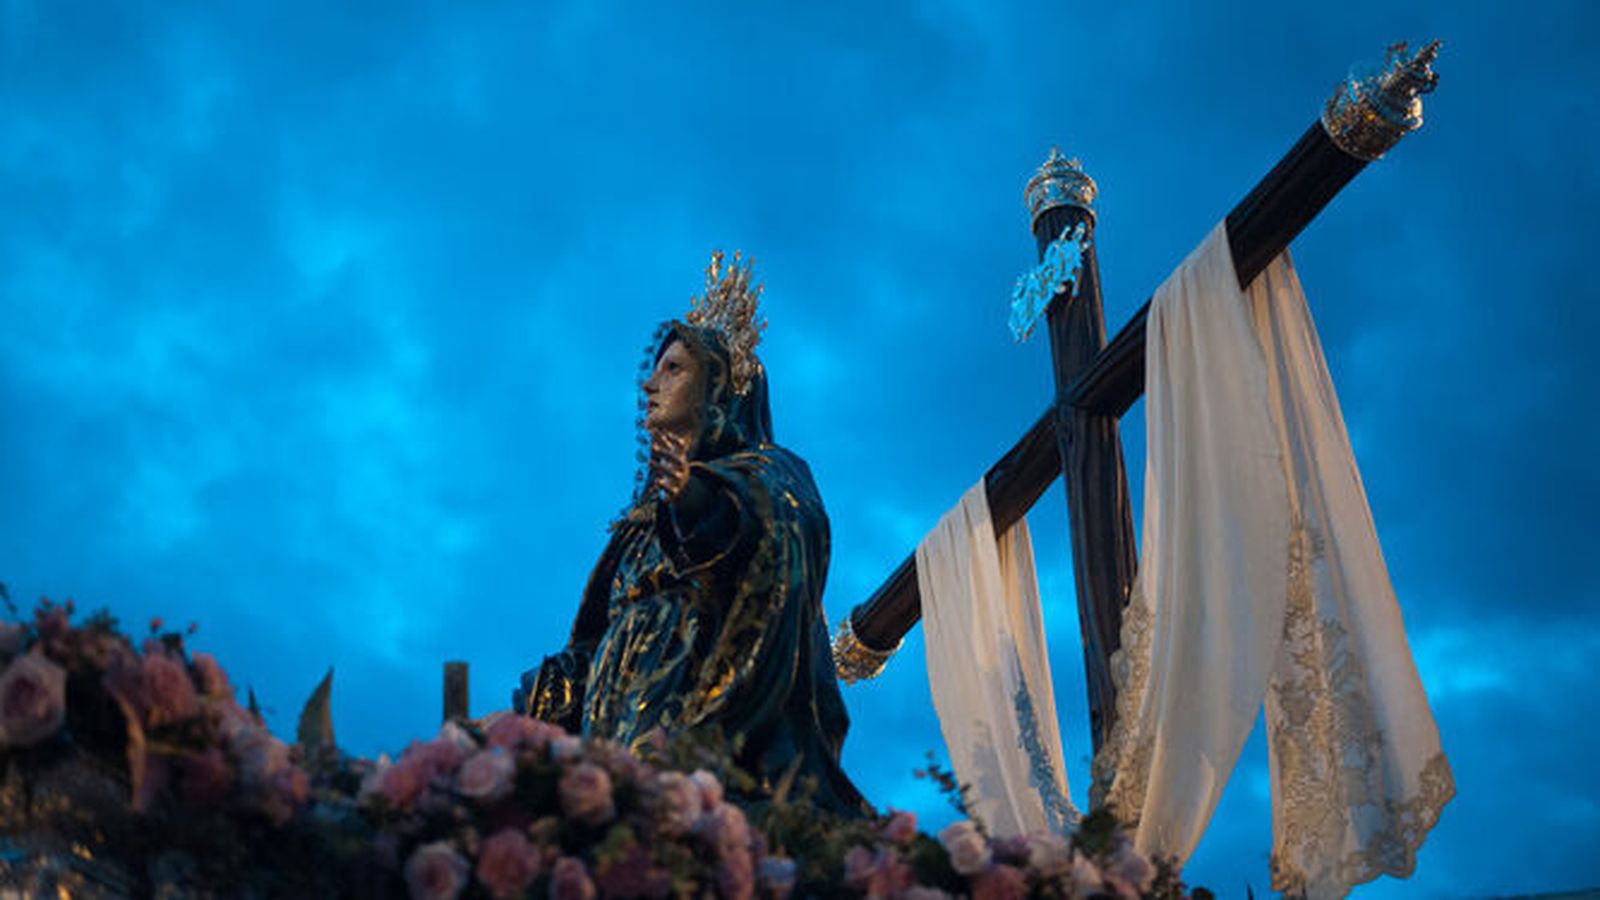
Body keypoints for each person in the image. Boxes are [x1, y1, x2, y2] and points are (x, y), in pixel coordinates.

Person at [513, 252, 868, 816]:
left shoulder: (770, 473)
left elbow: (776, 533)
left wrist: (695, 495)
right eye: (655, 371)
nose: (650, 385)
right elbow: (595, 645)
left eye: (673, 369)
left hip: (700, 718)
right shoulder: (636, 530)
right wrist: (532, 703)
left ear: (719, 389)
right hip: (615, 725)